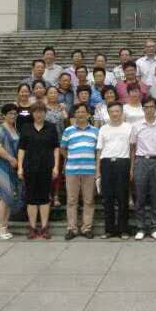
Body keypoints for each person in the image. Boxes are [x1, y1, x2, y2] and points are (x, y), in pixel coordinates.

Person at [17, 102, 60, 240]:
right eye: (36, 112)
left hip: (46, 167)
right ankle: (32, 227)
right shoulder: (26, 128)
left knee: (45, 197)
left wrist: (56, 166)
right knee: (31, 198)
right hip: (29, 167)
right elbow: (21, 149)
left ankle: (45, 226)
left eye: (41, 111)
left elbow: (56, 148)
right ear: (32, 113)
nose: (39, 114)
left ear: (45, 113)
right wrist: (20, 167)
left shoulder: (51, 127)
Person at [129, 96, 156, 241]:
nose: (149, 109)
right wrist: (132, 167)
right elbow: (133, 148)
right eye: (146, 107)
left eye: (152, 107)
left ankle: (155, 228)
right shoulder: (136, 126)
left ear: (155, 108)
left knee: (155, 196)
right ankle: (140, 227)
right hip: (141, 161)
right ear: (143, 108)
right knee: (140, 196)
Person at [61, 103, 99, 240]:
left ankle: (86, 228)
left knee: (89, 200)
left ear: (88, 115)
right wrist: (71, 158)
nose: (80, 114)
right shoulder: (68, 130)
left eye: (83, 112)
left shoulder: (95, 131)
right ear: (74, 115)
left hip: (90, 170)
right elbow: (62, 148)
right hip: (72, 170)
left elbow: (98, 151)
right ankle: (72, 228)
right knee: (71, 200)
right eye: (77, 112)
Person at [96, 101, 132, 239]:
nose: (115, 114)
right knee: (107, 198)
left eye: (117, 111)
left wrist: (131, 168)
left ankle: (123, 230)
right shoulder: (103, 129)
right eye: (112, 111)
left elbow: (132, 149)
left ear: (121, 112)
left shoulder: (129, 127)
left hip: (123, 162)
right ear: (108, 113)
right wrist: (98, 171)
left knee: (122, 197)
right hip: (106, 163)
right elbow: (99, 151)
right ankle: (109, 230)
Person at [0, 103, 23, 240]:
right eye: (10, 113)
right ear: (3, 115)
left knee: (10, 197)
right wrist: (11, 159)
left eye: (15, 114)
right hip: (2, 166)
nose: (13, 116)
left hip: (13, 167)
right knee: (5, 197)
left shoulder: (15, 129)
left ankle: (4, 226)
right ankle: (0, 227)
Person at [46, 86, 68, 208]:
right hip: (46, 144)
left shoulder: (62, 107)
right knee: (47, 170)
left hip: (60, 143)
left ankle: (56, 196)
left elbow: (66, 122)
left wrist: (64, 110)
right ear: (47, 95)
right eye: (50, 93)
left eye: (55, 93)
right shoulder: (43, 108)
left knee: (58, 170)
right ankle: (48, 195)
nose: (53, 95)